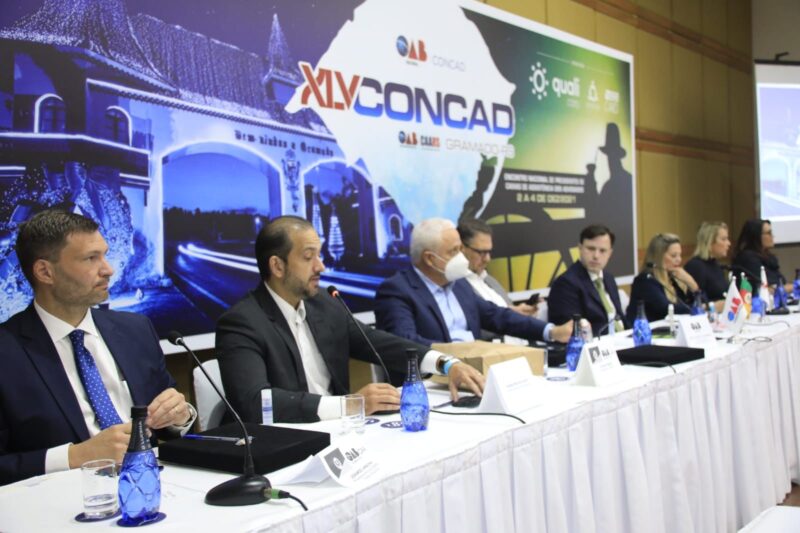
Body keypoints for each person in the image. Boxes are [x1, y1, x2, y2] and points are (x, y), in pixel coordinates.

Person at [215, 216, 484, 424]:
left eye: (319, 255)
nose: (320, 266)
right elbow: (256, 402)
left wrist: (446, 363)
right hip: (285, 445)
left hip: (341, 434)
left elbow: (381, 344)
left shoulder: (324, 304)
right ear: (277, 266)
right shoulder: (242, 323)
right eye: (308, 257)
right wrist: (350, 405)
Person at [0, 210, 194, 486]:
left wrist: (180, 416)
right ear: (45, 272)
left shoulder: (135, 330)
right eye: (91, 258)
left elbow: (168, 422)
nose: (108, 269)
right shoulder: (8, 351)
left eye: (104, 255)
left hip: (154, 486)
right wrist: (75, 456)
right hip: (61, 499)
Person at [374, 218, 572, 347]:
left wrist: (551, 331)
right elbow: (406, 343)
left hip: (475, 371)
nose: (461, 257)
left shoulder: (459, 284)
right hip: (432, 381)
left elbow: (497, 315)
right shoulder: (397, 291)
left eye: (461, 249)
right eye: (454, 251)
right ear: (430, 259)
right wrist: (456, 356)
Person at [548, 224, 627, 336]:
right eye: (591, 248)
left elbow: (619, 317)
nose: (596, 256)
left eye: (602, 251)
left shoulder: (609, 278)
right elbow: (573, 331)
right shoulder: (566, 283)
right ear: (580, 248)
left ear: (610, 253)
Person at [457, 218, 537, 315]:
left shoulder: (490, 280)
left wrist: (521, 314)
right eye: (481, 252)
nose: (487, 259)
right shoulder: (455, 287)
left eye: (489, 252)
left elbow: (508, 311)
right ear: (461, 248)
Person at [626, 233, 699, 323]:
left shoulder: (672, 278)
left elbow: (697, 303)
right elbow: (665, 309)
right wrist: (696, 309)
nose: (679, 259)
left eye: (680, 255)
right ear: (658, 257)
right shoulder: (645, 281)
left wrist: (692, 283)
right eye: (673, 256)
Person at [732, 218, 786, 290]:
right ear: (756, 236)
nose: (772, 236)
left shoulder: (769, 258)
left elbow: (781, 281)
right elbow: (768, 285)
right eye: (768, 233)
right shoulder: (747, 258)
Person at [684, 222, 730, 302]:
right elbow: (695, 301)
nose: (729, 243)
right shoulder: (696, 266)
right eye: (723, 239)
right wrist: (714, 306)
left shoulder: (715, 264)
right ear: (709, 242)